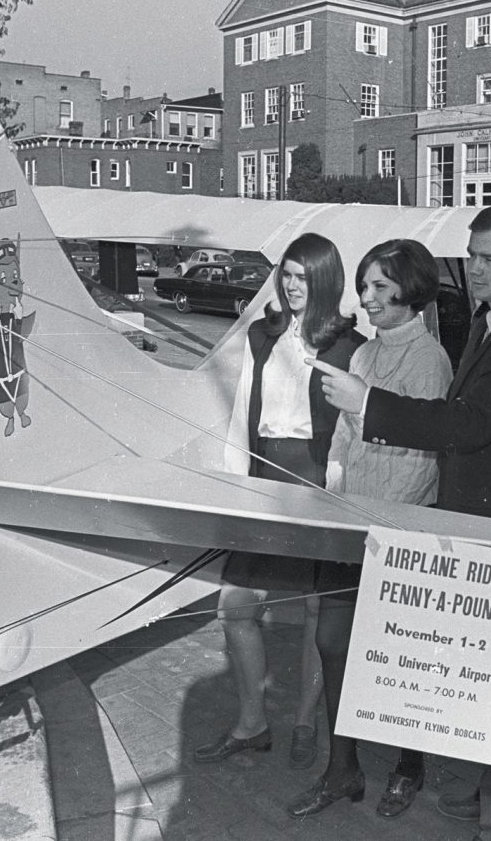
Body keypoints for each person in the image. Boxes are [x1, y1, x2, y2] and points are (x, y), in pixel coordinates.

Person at [313, 203, 491, 841]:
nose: (474, 269)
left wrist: (367, 402)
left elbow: (467, 425)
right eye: (472, 254)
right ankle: (474, 798)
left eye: (489, 260)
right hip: (483, 525)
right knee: (487, 672)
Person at [287, 239, 449, 818]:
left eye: (381, 287)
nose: (368, 297)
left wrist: (378, 524)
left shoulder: (429, 359)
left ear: (412, 291)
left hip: (395, 532)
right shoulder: (362, 356)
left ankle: (409, 764)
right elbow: (344, 435)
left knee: (397, 653)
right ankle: (343, 768)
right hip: (350, 525)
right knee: (333, 643)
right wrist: (334, 496)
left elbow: (422, 455)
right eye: (364, 286)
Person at [196, 233, 360, 771]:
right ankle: (252, 723)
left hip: (320, 481)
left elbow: (352, 431)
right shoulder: (262, 335)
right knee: (236, 606)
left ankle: (307, 721)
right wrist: (234, 485)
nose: (292, 286)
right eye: (286, 274)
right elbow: (243, 410)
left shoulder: (349, 346)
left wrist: (338, 494)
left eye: (303, 276)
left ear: (325, 279)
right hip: (266, 475)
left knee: (319, 608)